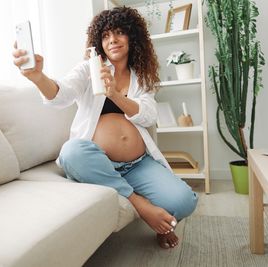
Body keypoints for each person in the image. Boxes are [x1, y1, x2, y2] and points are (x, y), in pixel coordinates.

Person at [12, 6, 198, 249]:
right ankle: (143, 207)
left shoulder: (141, 76)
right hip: (98, 164)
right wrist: (38, 77)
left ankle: (160, 217)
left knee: (185, 201)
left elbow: (149, 116)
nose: (112, 40)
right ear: (99, 41)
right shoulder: (87, 70)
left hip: (137, 165)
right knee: (71, 152)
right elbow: (61, 95)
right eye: (106, 35)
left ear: (132, 37)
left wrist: (115, 95)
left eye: (120, 33)